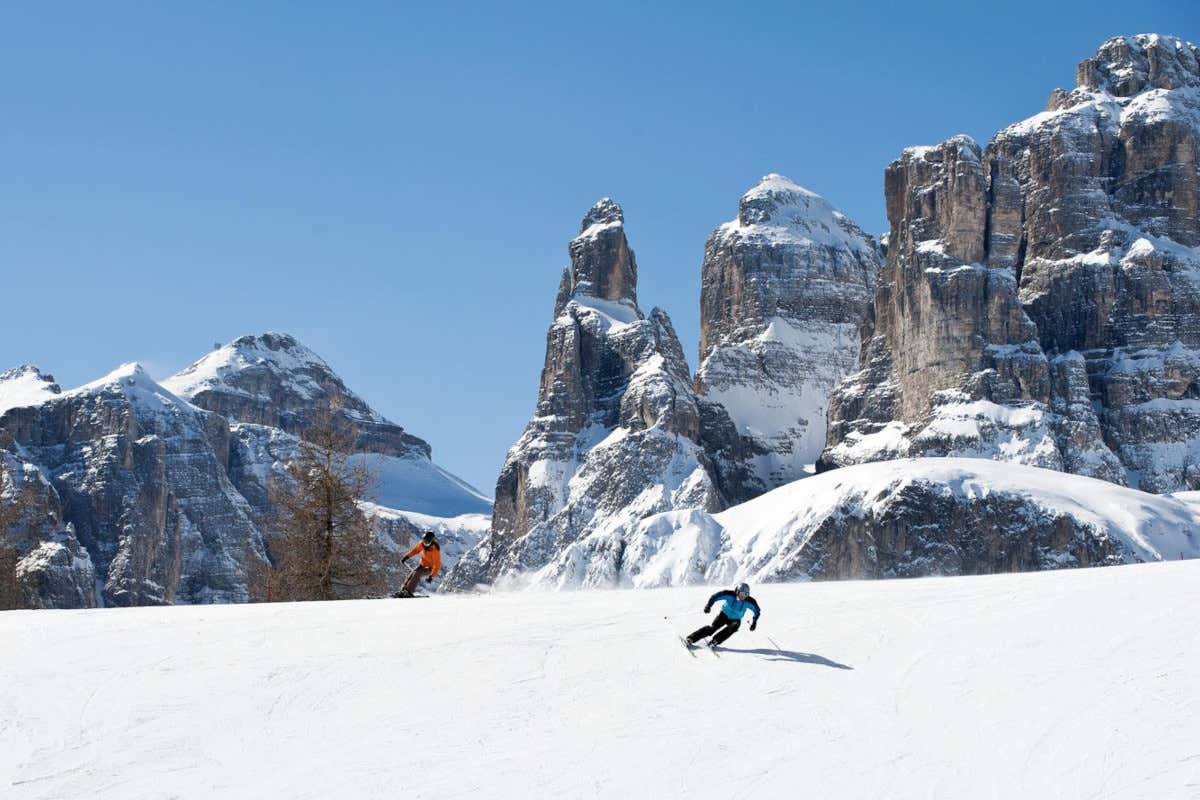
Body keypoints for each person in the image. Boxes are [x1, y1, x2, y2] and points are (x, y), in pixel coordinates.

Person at [686, 582, 760, 648]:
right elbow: (715, 596)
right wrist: (708, 606)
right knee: (712, 629)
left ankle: (716, 641)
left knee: (732, 628)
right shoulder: (729, 595)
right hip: (723, 615)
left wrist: (754, 622)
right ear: (737, 592)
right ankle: (691, 638)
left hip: (736, 619)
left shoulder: (750, 602)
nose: (743, 596)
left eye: (746, 594)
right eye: (741, 593)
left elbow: (757, 611)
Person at [396, 531, 441, 597]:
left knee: (417, 574)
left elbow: (437, 565)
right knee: (412, 573)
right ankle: (403, 590)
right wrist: (406, 557)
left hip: (430, 568)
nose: (425, 543)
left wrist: (431, 576)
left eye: (428, 541)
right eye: (424, 540)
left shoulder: (434, 550)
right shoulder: (421, 544)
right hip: (422, 565)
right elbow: (415, 550)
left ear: (431, 541)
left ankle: (409, 591)